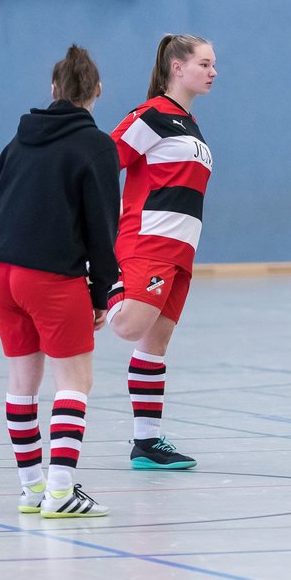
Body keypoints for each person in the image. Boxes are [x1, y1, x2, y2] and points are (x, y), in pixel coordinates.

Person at [0, 45, 120, 518]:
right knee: (74, 381)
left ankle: (32, 488)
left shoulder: (17, 141)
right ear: (97, 91)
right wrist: (103, 291)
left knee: (22, 381)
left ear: (53, 90)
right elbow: (103, 227)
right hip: (50, 275)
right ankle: (61, 492)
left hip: (1, 271)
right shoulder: (97, 146)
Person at [104, 34, 216, 470]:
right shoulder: (152, 115)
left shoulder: (188, 123)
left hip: (181, 250)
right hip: (146, 244)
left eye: (213, 66)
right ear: (177, 67)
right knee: (130, 325)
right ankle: (99, 278)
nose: (212, 72)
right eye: (205, 64)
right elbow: (101, 161)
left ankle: (146, 443)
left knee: (157, 340)